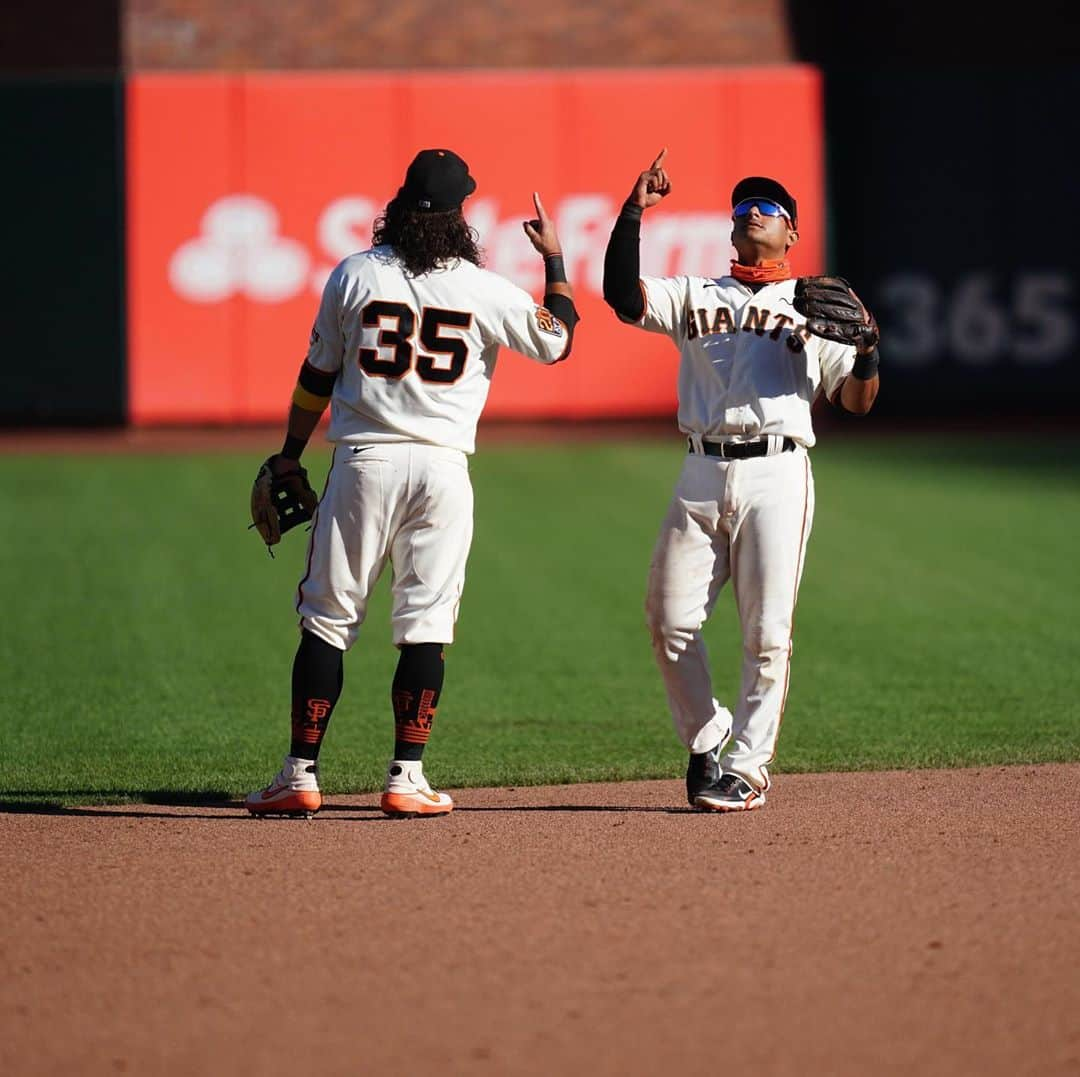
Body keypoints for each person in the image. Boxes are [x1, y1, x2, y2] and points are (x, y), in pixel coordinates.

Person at [246, 148, 578, 819]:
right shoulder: (482, 287)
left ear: (399, 206)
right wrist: (555, 262)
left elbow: (316, 376)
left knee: (327, 620)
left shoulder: (355, 274)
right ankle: (406, 775)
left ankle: (299, 772)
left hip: (364, 460)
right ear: (461, 217)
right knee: (426, 625)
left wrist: (288, 453)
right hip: (443, 469)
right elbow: (559, 340)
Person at [602, 149, 879, 812]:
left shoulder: (815, 304)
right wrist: (634, 209)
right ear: (731, 230)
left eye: (767, 208)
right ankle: (708, 735)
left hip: (778, 473)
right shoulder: (696, 294)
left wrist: (867, 346)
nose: (752, 213)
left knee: (767, 632)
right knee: (667, 620)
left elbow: (856, 403)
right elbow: (621, 296)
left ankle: (749, 770)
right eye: (742, 208)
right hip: (700, 467)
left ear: (791, 233)